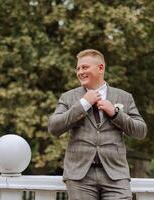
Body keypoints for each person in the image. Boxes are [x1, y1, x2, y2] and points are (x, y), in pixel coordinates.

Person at [48, 49, 147, 200]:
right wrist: (83, 104)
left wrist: (115, 113)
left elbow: (140, 131)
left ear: (100, 68)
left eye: (85, 67)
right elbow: (54, 127)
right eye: (78, 68)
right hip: (79, 176)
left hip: (116, 175)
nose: (80, 72)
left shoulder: (124, 97)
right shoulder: (68, 97)